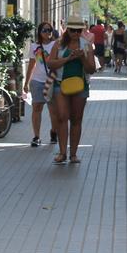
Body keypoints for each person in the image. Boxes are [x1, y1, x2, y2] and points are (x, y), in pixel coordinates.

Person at [46, 14, 97, 164]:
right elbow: (50, 64)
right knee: (62, 117)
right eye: (73, 30)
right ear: (67, 30)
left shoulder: (86, 45)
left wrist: (81, 58)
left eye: (78, 30)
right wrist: (68, 59)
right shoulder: (58, 44)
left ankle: (73, 154)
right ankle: (62, 153)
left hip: (80, 85)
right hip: (60, 84)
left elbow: (92, 69)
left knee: (76, 119)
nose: (75, 33)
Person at [22, 21, 59, 146]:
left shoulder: (56, 45)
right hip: (37, 81)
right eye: (44, 30)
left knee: (53, 110)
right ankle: (36, 136)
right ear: (39, 32)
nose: (47, 32)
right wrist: (26, 83)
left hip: (52, 80)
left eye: (49, 30)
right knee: (37, 108)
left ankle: (54, 132)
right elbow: (31, 65)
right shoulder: (34, 46)